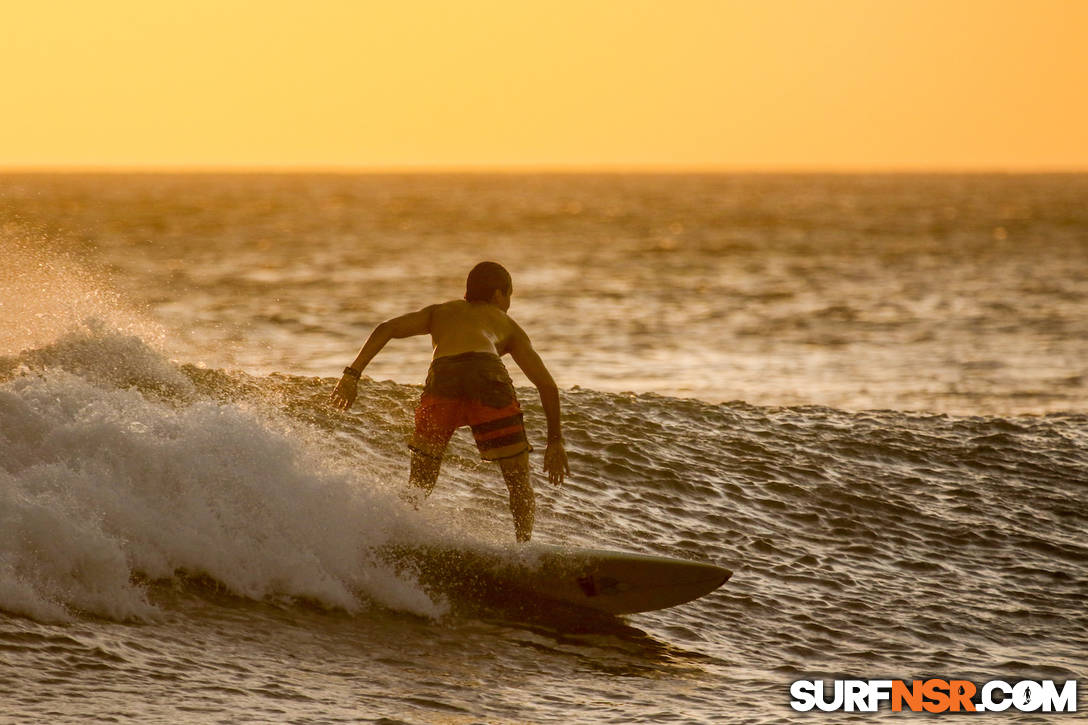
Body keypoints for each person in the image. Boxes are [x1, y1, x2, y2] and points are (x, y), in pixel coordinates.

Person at [329, 261, 569, 542]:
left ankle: (394, 539)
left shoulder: (440, 312)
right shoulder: (507, 324)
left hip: (444, 377)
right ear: (497, 295)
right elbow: (547, 386)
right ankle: (524, 551)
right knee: (517, 482)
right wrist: (555, 441)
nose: (508, 304)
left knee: (420, 483)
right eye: (509, 296)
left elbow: (386, 328)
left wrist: (352, 374)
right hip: (486, 375)